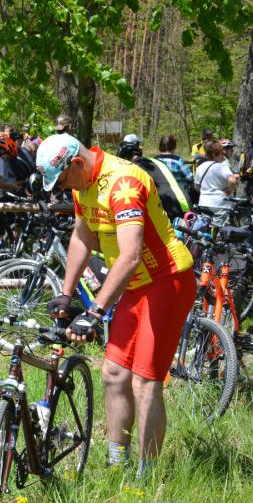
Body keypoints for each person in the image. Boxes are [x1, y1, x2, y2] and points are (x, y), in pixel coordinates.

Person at [36, 133, 195, 477]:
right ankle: (116, 464)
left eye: (62, 181)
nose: (63, 189)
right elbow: (82, 236)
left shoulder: (124, 183)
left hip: (167, 281)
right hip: (136, 287)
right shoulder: (83, 186)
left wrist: (94, 311)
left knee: (144, 381)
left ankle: (146, 475)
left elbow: (131, 256)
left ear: (77, 163)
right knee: (113, 373)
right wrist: (66, 292)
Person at [195, 140, 239, 226]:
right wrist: (229, 190)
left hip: (204, 203)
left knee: (206, 229)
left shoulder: (200, 167)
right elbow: (232, 180)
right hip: (220, 205)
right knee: (220, 230)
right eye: (221, 154)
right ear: (214, 155)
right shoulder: (222, 167)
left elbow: (196, 187)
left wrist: (207, 191)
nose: (223, 157)